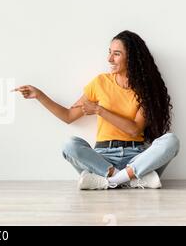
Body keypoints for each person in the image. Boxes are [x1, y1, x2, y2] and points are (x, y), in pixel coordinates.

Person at [14, 30, 180, 190]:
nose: (109, 59)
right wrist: (39, 95)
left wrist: (100, 110)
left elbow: (134, 129)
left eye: (117, 54)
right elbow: (68, 116)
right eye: (109, 52)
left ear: (132, 58)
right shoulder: (100, 82)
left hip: (135, 157)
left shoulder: (145, 90)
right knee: (70, 145)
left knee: (171, 141)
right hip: (102, 159)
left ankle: (110, 181)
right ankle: (128, 179)